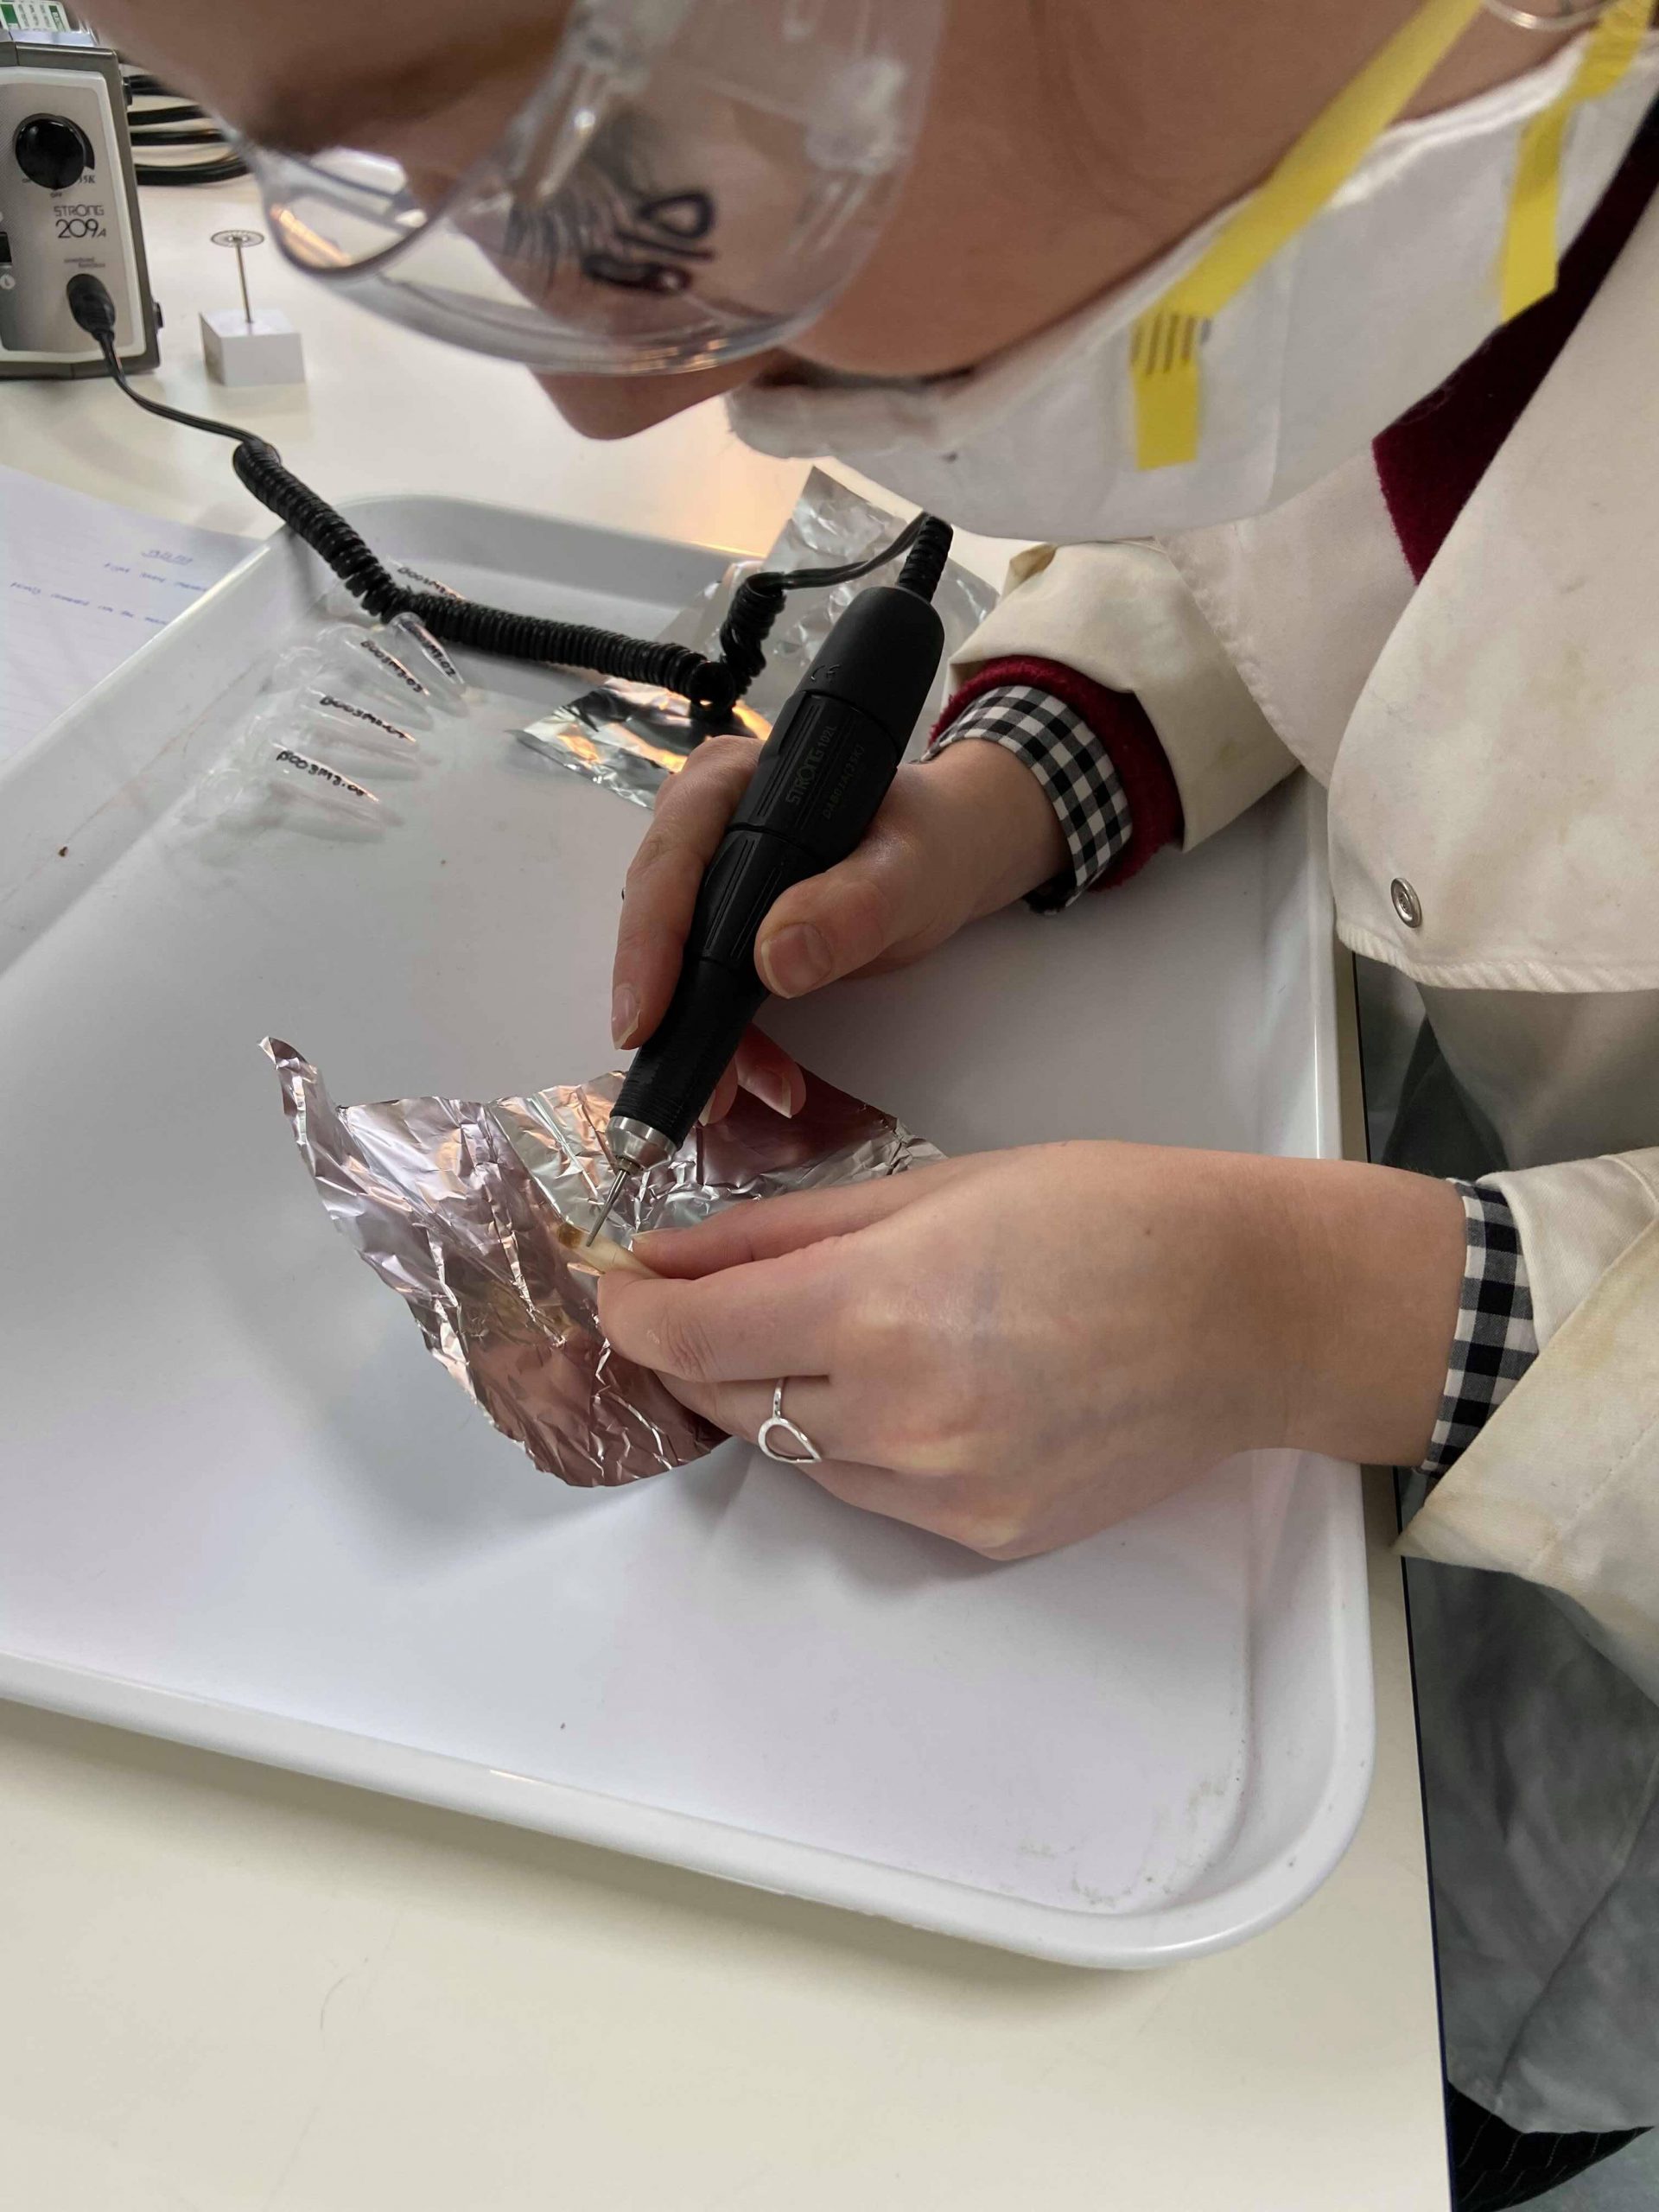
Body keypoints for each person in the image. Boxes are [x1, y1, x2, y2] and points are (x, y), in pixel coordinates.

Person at [89, 2, 1659, 2202]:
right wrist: (1009, 784)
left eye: (613, 157)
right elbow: (1316, 513)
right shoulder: (1423, 123)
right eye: (412, 207)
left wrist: (1351, 1312)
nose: (608, 395)